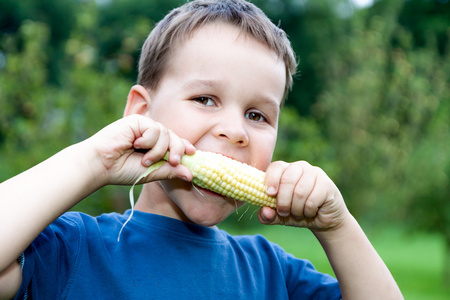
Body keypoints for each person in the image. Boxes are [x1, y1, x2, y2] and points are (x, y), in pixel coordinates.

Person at [0, 0, 403, 299]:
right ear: (142, 112)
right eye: (206, 99)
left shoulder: (272, 273)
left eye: (257, 115)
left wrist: (338, 227)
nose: (235, 131)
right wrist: (92, 161)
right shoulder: (69, 250)